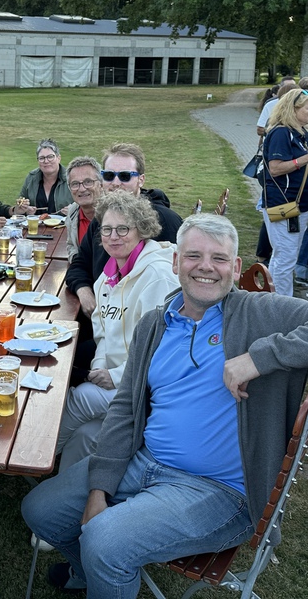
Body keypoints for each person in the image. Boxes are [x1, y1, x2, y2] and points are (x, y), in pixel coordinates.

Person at [22, 214, 308, 598]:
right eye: (193, 256)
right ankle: (96, 574)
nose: (206, 267)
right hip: (144, 462)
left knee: (105, 543)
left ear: (236, 266)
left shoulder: (258, 313)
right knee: (40, 510)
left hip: (219, 490)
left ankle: (105, 566)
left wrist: (259, 358)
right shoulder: (155, 324)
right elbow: (125, 410)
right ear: (175, 262)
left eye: (219, 258)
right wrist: (99, 490)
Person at [55, 190, 178, 473]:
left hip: (149, 388)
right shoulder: (107, 277)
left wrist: (117, 376)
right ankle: (62, 483)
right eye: (107, 229)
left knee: (81, 397)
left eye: (123, 229)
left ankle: (34, 453)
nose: (113, 236)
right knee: (86, 435)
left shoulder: (156, 277)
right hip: (123, 379)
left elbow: (162, 347)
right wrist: (101, 368)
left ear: (141, 230)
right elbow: (102, 334)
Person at [65, 142, 182, 319]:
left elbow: (178, 282)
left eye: (125, 176)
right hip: (100, 315)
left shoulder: (165, 221)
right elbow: (79, 264)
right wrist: (84, 292)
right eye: (109, 175)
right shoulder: (102, 217)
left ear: (141, 179)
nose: (116, 183)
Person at [261, 87, 308, 296]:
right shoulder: (281, 132)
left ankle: (274, 298)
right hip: (284, 204)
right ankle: (282, 304)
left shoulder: (300, 132)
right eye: (307, 108)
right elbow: (276, 168)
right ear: (293, 109)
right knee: (286, 257)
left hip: (298, 205)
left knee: (285, 255)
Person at [19, 138, 73, 215]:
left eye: (50, 157)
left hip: (65, 222)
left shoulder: (71, 178)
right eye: (42, 158)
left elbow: (85, 203)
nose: (46, 161)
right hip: (36, 222)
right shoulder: (31, 178)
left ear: (58, 158)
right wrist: (25, 209)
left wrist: (74, 209)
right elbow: (20, 203)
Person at [64, 156, 102, 263]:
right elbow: (71, 245)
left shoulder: (114, 215)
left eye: (88, 182)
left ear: (101, 184)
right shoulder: (73, 211)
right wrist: (78, 262)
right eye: (75, 184)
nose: (81, 189)